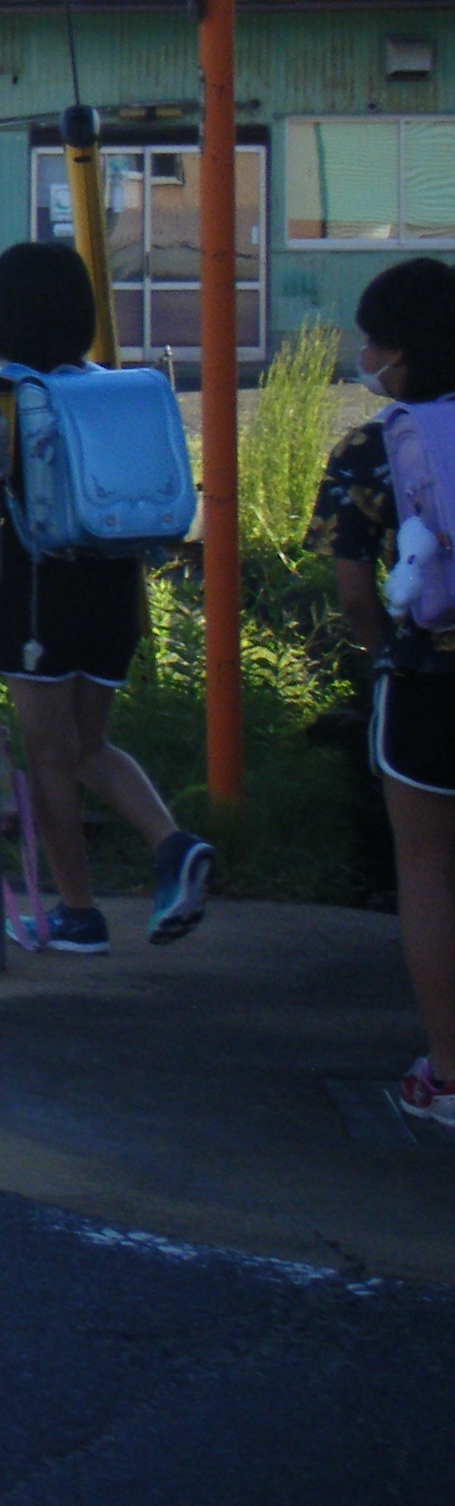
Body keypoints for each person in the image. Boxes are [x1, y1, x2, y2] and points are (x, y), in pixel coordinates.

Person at [0, 240, 213, 954]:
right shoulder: (110, 388)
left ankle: (78, 912)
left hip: (37, 598)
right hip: (116, 591)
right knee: (91, 744)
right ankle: (172, 845)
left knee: (49, 755)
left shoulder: (5, 397)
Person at [312, 256, 455, 1134]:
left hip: (427, 682)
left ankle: (446, 1075)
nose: (367, 356)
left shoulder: (373, 447)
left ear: (402, 353)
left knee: (429, 870)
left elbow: (356, 591)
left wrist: (380, 654)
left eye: (374, 342)